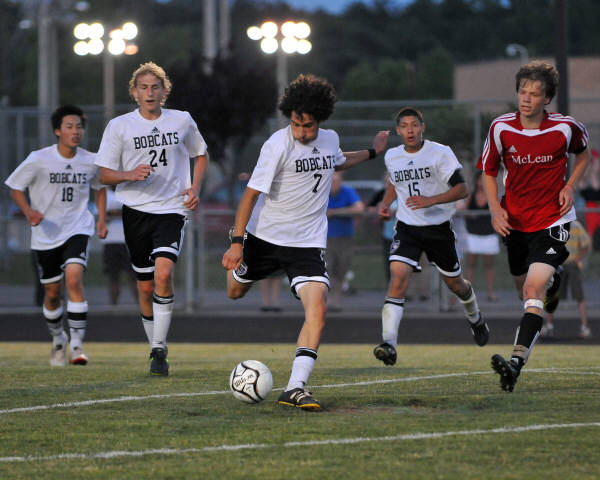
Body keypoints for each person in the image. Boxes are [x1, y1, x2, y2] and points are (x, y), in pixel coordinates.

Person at [222, 74, 389, 411]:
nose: (301, 131)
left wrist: (374, 151)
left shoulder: (329, 139)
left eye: (308, 125)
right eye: (296, 124)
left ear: (321, 119)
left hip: (306, 244)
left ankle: (295, 387)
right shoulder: (277, 145)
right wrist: (237, 242)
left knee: (318, 308)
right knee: (234, 291)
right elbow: (250, 195)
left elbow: (338, 160)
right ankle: (245, 268)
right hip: (264, 238)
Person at [479, 61, 589, 392]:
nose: (526, 99)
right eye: (523, 92)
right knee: (523, 291)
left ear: (547, 99)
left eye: (535, 94)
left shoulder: (565, 128)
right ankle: (552, 284)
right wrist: (495, 209)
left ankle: (515, 364)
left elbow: (583, 155)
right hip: (515, 223)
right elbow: (488, 171)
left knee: (532, 289)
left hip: (553, 220)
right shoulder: (500, 128)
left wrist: (569, 185)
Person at [95, 62, 208, 376]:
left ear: (164, 92)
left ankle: (159, 350)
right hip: (135, 211)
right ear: (134, 92)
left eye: (155, 87)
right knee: (145, 289)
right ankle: (155, 346)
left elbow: (201, 154)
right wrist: (129, 174)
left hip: (171, 209)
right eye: (143, 87)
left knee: (164, 272)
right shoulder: (119, 126)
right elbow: (103, 175)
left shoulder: (181, 120)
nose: (149, 92)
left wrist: (195, 187)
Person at [373, 107, 489, 367]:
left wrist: (430, 200)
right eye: (405, 126)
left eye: (415, 125)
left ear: (422, 127)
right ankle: (389, 344)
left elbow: (463, 189)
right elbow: (395, 182)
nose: (410, 130)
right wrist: (385, 203)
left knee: (456, 285)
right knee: (398, 276)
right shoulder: (392, 155)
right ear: (399, 130)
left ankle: (475, 317)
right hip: (407, 228)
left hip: (438, 229)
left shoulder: (440, 152)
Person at [5, 105, 107, 366]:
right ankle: (58, 339)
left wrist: (101, 220)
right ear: (57, 131)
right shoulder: (39, 159)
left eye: (79, 127)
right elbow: (15, 188)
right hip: (46, 234)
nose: (76, 131)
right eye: (69, 127)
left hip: (77, 228)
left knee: (74, 279)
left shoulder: (90, 160)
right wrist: (29, 212)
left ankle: (77, 345)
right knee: (52, 293)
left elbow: (100, 187)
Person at [541, 220, 592, 339]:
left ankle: (585, 327)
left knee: (579, 296)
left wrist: (577, 259)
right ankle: (548, 325)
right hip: (559, 264)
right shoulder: (554, 223)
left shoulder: (575, 225)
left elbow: (586, 245)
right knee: (552, 294)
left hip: (572, 264)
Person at [326, 172, 365, 311]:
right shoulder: (322, 192)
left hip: (345, 239)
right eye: (331, 181)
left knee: (341, 270)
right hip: (325, 239)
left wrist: (335, 212)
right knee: (327, 269)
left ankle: (337, 301)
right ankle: (327, 301)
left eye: (336, 181)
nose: (333, 184)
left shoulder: (347, 192)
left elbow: (359, 208)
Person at [464, 172, 500, 302]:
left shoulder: (492, 196)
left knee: (489, 266)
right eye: (480, 180)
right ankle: (468, 294)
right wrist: (470, 214)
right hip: (473, 235)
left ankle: (490, 293)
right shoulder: (471, 195)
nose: (481, 183)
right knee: (471, 265)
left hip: (489, 235)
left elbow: (498, 211)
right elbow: (464, 210)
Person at [101, 187, 137, 305]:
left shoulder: (130, 192)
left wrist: (114, 212)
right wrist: (120, 212)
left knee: (135, 276)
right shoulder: (104, 194)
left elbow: (136, 213)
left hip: (129, 243)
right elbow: (101, 215)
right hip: (110, 242)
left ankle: (142, 308)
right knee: (113, 277)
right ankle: (113, 308)